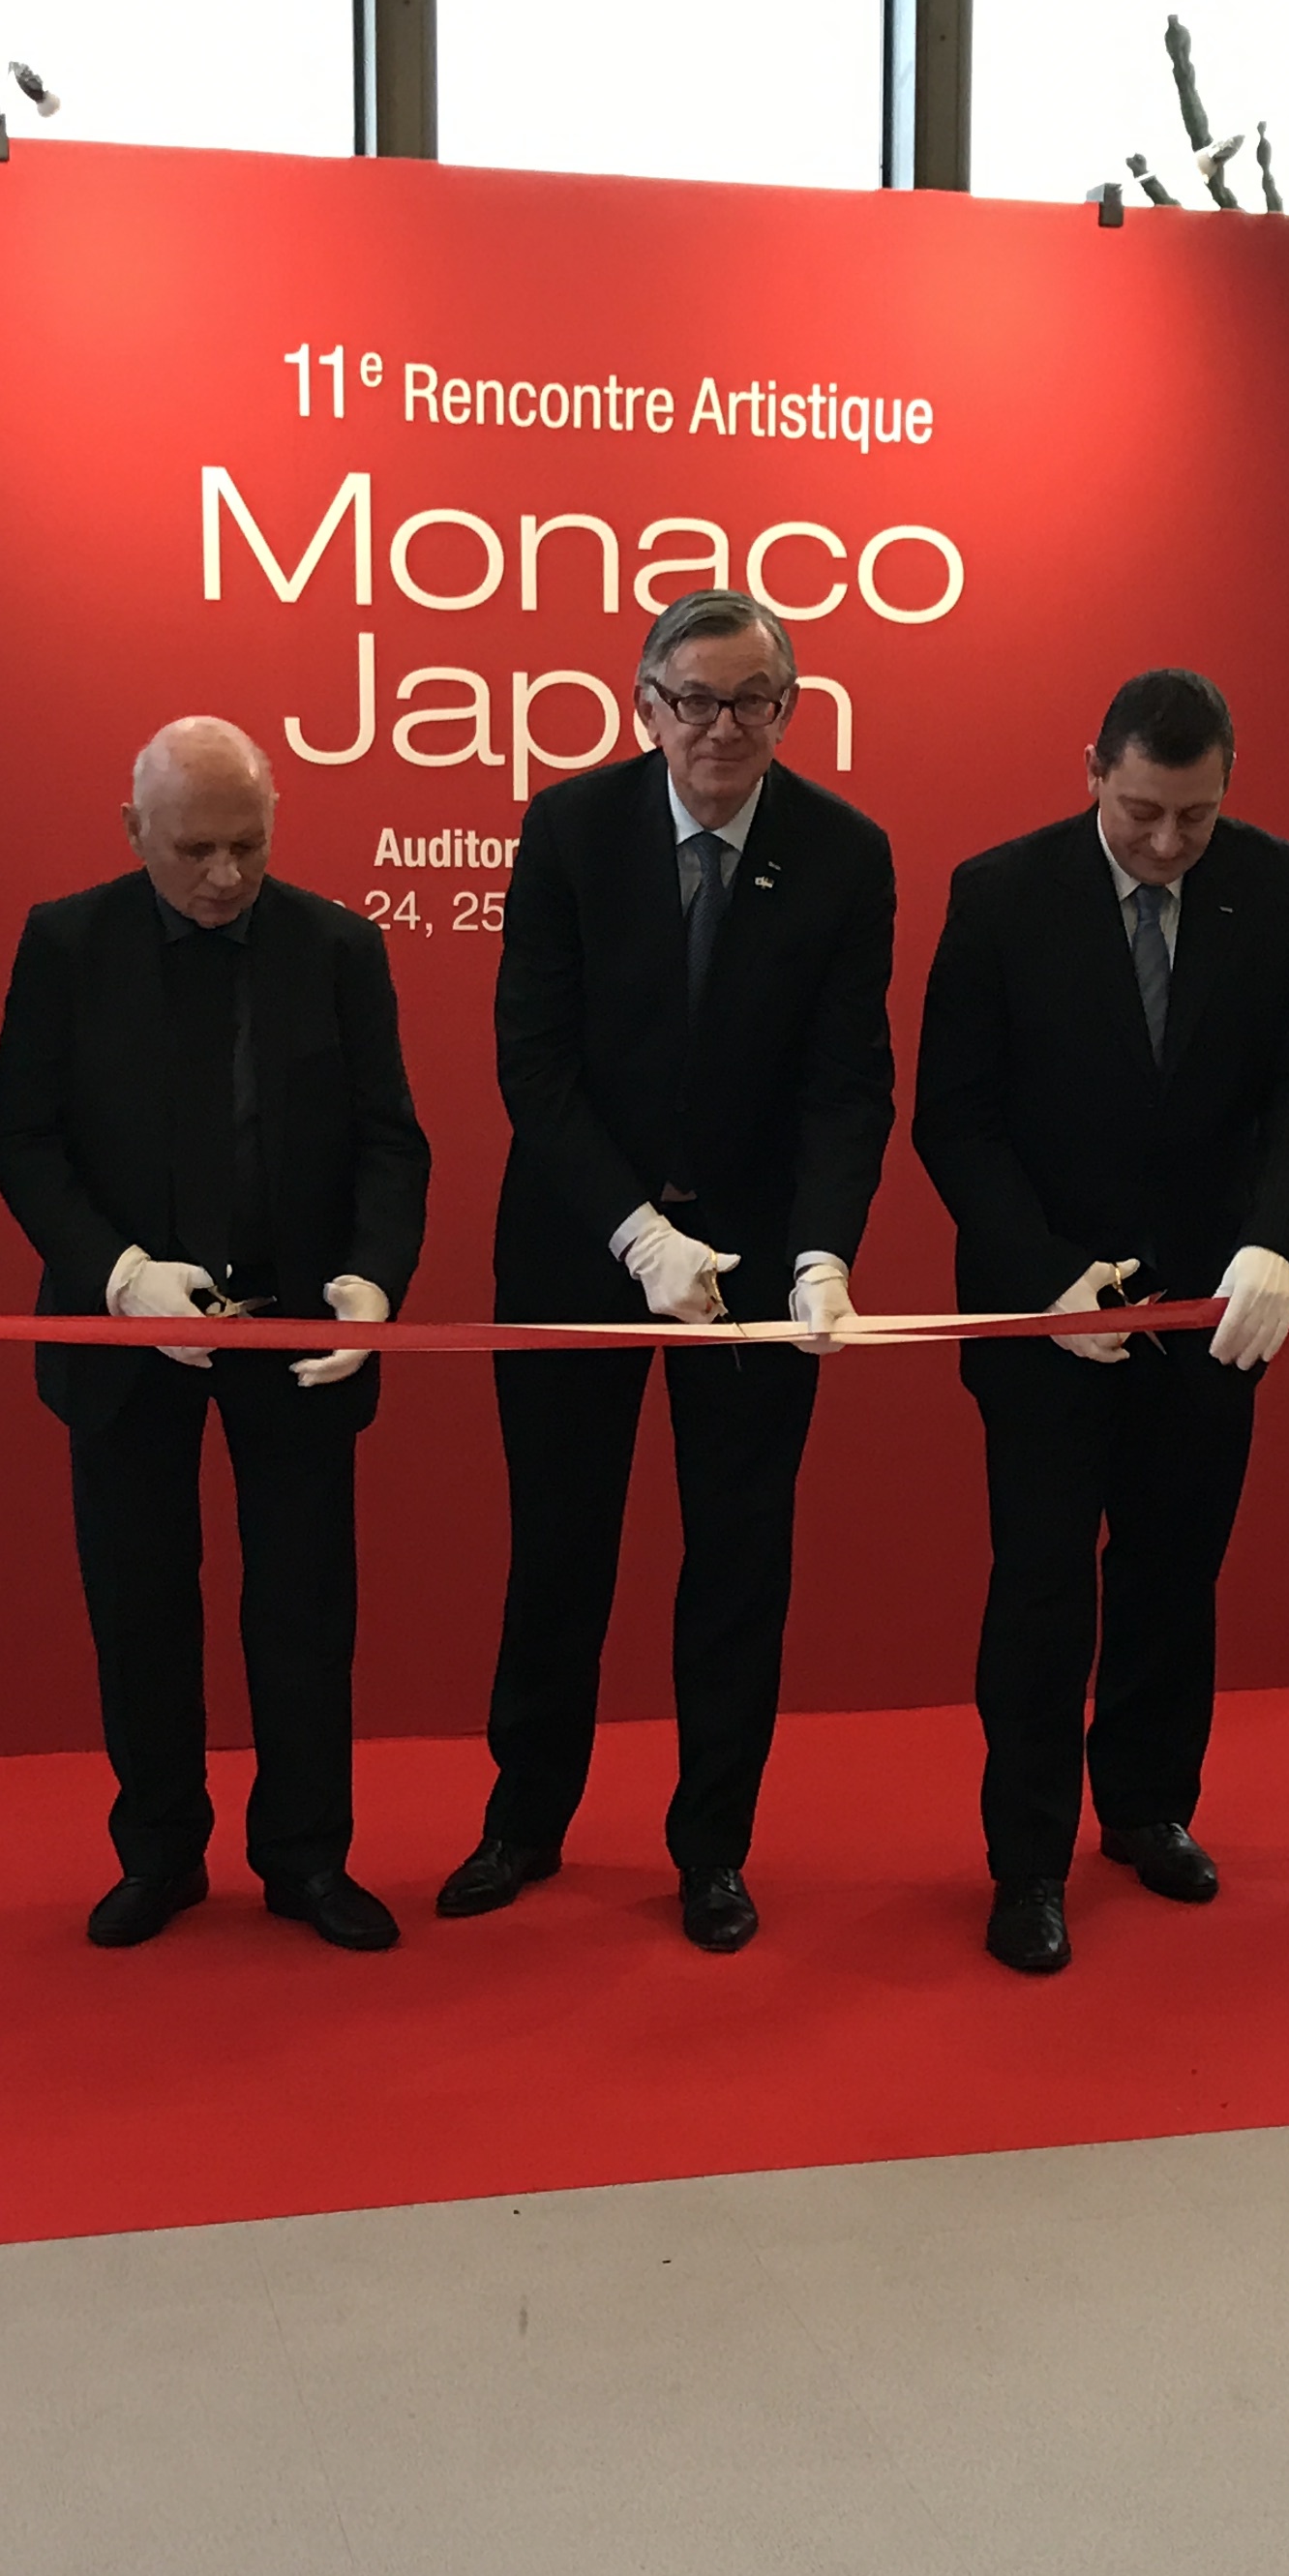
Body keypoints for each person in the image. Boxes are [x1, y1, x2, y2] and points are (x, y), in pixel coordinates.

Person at [436, 588, 896, 1954]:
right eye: (694, 700)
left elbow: (847, 1083)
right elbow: (535, 1064)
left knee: (740, 1559)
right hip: (578, 1244)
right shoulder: (570, 829)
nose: (722, 727)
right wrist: (637, 1232)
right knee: (559, 1548)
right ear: (646, 707)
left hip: (759, 1261)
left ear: (789, 711)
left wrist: (823, 1252)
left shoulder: (844, 852)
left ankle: (714, 1849)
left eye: (752, 700)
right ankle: (524, 1821)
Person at [914, 669, 1289, 1975]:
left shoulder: (1281, 890)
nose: (1169, 843)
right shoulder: (1001, 894)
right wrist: (1044, 1278)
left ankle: (1150, 1806)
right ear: (1094, 773)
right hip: (1044, 1311)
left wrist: (1276, 1244)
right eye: (1143, 812)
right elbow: (957, 1117)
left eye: (1196, 817)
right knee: (1044, 1587)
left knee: (1174, 1572)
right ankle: (1028, 1861)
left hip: (1213, 1308)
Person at [0, 718, 427, 1955]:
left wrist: (371, 1283)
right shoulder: (67, 943)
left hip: (295, 1326)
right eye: (194, 851)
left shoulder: (338, 946)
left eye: (249, 846)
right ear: (135, 834)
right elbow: (21, 1138)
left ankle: (307, 1858)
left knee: (304, 1608)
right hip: (128, 1337)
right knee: (140, 1607)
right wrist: (121, 1279)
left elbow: (389, 1139)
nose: (226, 876)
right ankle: (160, 1854)